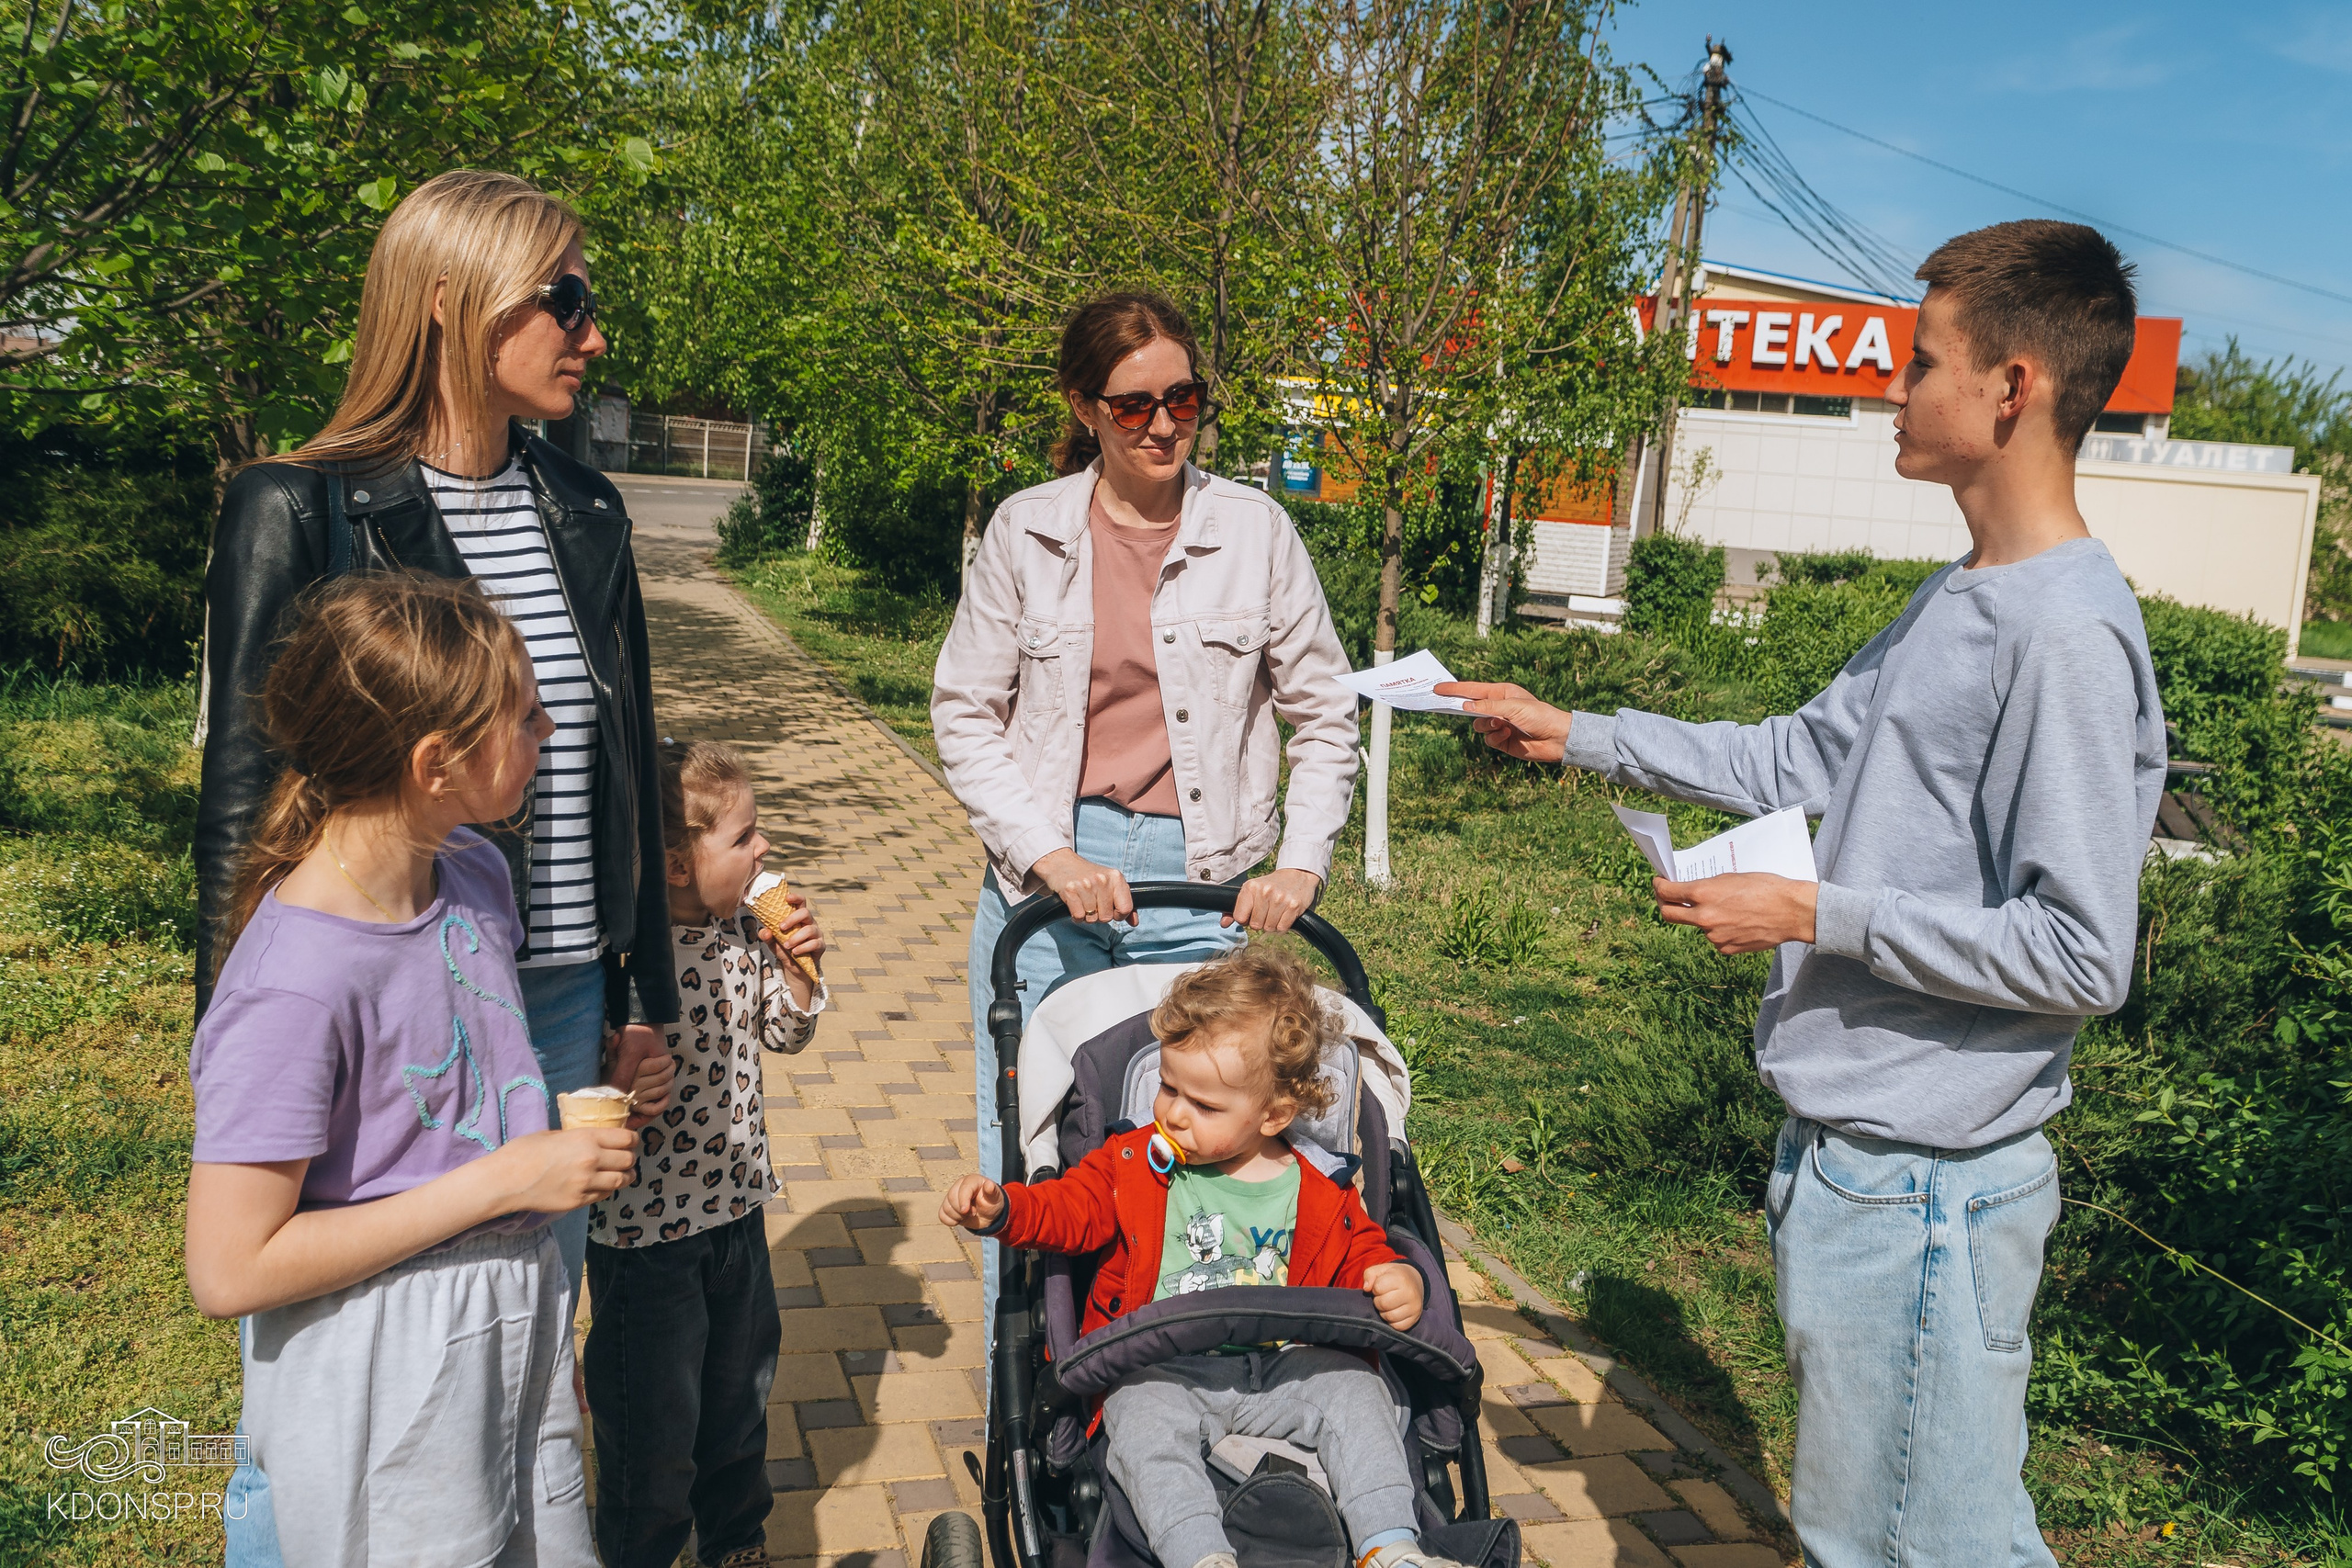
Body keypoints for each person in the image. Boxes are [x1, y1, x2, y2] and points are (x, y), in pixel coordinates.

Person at [1442, 220, 2167, 1567]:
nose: (1891, 391)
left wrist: (1809, 912)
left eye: (1920, 363)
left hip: (1929, 1196)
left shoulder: (2062, 630)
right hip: (1861, 1174)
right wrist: (1578, 730)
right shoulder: (1965, 596)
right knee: (1884, 1532)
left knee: (1919, 1545)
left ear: (2012, 388)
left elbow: (2081, 954)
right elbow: (1798, 753)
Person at [196, 169, 675, 1311]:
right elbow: (240, 800)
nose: (592, 336)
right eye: (564, 301)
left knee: (512, 1321)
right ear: (455, 300)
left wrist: (641, 996)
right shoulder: (300, 507)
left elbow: (631, 766)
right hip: (385, 993)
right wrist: (239, 1055)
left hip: (557, 999)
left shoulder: (586, 508)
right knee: (337, 1331)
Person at [185, 572, 660, 1567]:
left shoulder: (476, 874)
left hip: (509, 1329)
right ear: (437, 761)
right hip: (380, 1379)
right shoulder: (296, 984)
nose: (549, 734)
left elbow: (462, 1081)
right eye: (524, 718)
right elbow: (230, 1269)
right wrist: (501, 1181)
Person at [931, 291, 1361, 1331]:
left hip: (1204, 889)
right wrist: (1046, 857)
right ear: (1084, 408)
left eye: (1182, 398)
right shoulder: (1027, 532)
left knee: (1214, 1151)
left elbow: (1326, 711)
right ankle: (1026, 1418)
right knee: (1034, 1162)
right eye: (1133, 406)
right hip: (1050, 888)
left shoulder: (1256, 534)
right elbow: (963, 711)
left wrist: (1300, 861)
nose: (1164, 424)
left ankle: (1192, 1369)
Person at [938, 946, 1464, 1568]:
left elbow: (1361, 1248)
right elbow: (1068, 1211)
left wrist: (1394, 1274)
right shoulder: (1131, 1166)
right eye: (1166, 1086)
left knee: (1356, 1389)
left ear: (1273, 1114)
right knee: (1139, 1414)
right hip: (1167, 1370)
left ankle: (1391, 1544)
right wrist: (1005, 1209)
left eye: (1204, 1105)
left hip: (1287, 1371)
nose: (1174, 1113)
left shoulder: (1318, 1194)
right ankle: (1200, 1554)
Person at [583, 740, 829, 1568]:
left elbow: (783, 1033)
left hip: (736, 1216)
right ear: (679, 865)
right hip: (644, 1242)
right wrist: (619, 1084)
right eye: (744, 837)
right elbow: (586, 1095)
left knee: (737, 1404)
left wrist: (799, 971)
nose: (765, 850)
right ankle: (641, 1550)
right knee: (652, 1433)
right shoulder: (619, 962)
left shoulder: (740, 935)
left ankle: (736, 1542)